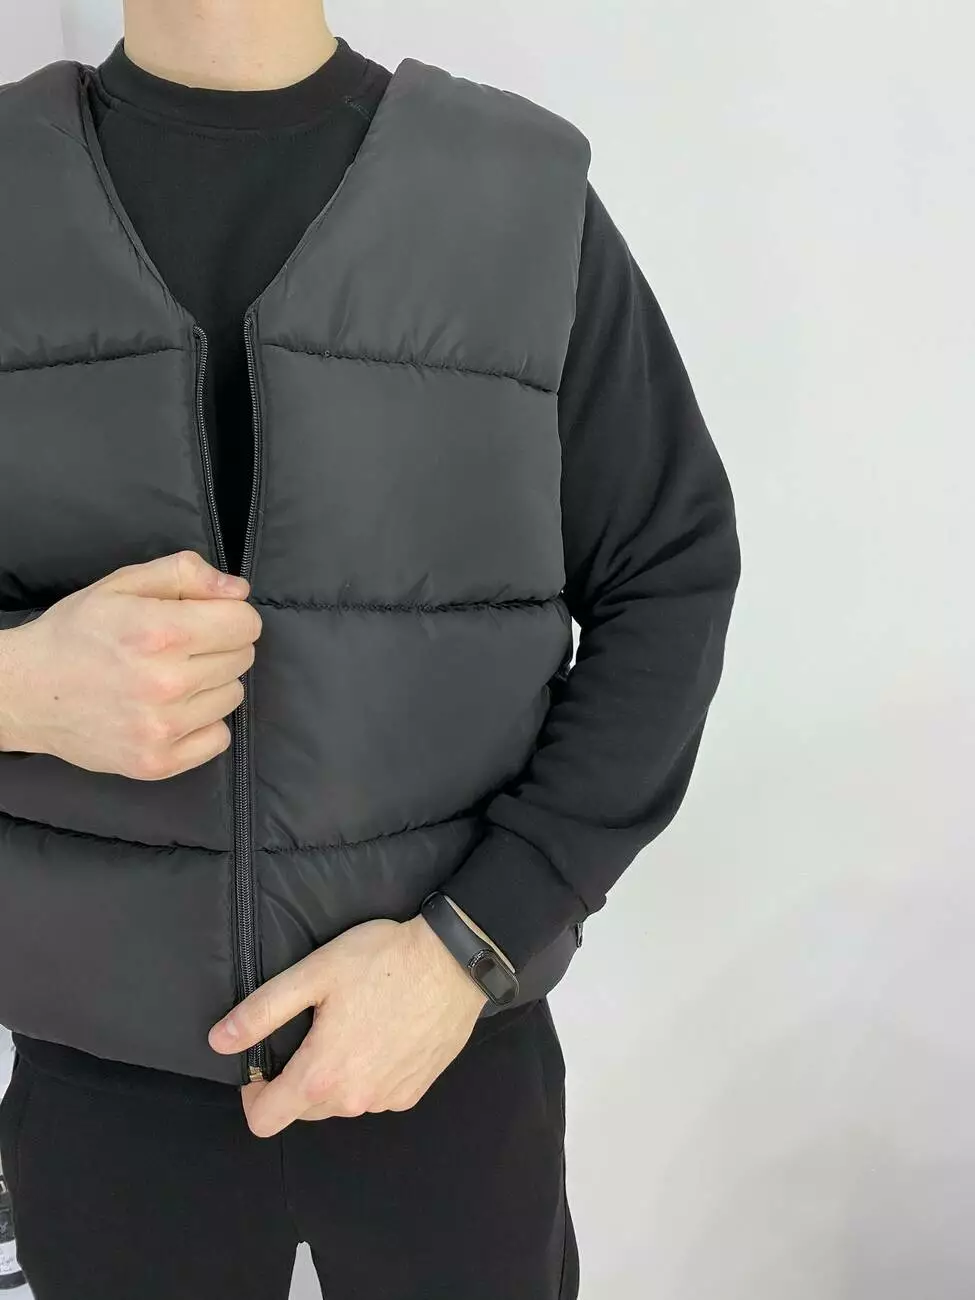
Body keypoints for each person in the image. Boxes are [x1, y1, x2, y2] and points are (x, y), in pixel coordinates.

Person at [0, 2, 740, 1297]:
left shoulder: (518, 192)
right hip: (95, 1084)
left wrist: (471, 944)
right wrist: (18, 689)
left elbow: (666, 574)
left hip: (450, 1048)